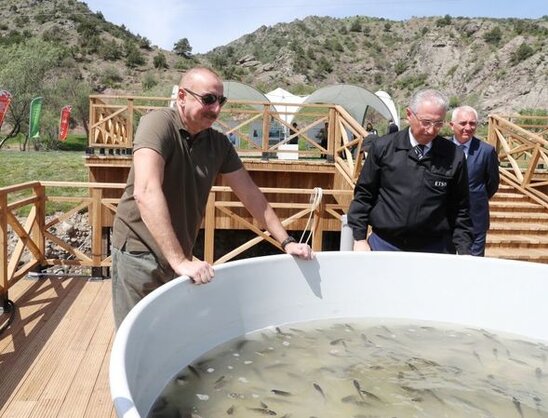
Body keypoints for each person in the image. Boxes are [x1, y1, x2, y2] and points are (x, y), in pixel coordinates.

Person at [111, 67, 313, 328]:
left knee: (165, 334)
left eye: (221, 101)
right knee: (134, 335)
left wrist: (287, 242)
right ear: (182, 97)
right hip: (139, 252)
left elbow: (251, 194)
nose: (216, 108)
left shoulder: (218, 144)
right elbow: (146, 191)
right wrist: (181, 261)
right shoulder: (158, 123)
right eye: (208, 99)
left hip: (178, 254)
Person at [347, 89, 473, 254]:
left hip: (434, 250)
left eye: (438, 124)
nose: (431, 130)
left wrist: (463, 251)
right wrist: (360, 238)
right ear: (409, 114)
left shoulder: (454, 156)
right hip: (385, 245)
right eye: (426, 122)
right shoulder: (383, 148)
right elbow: (364, 195)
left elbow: (460, 209)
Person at [449, 106, 500, 256]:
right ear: (452, 125)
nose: (468, 127)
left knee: (474, 265)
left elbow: (492, 184)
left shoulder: (486, 151)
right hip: (445, 218)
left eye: (472, 123)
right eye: (463, 123)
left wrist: (475, 197)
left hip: (476, 219)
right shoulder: (442, 148)